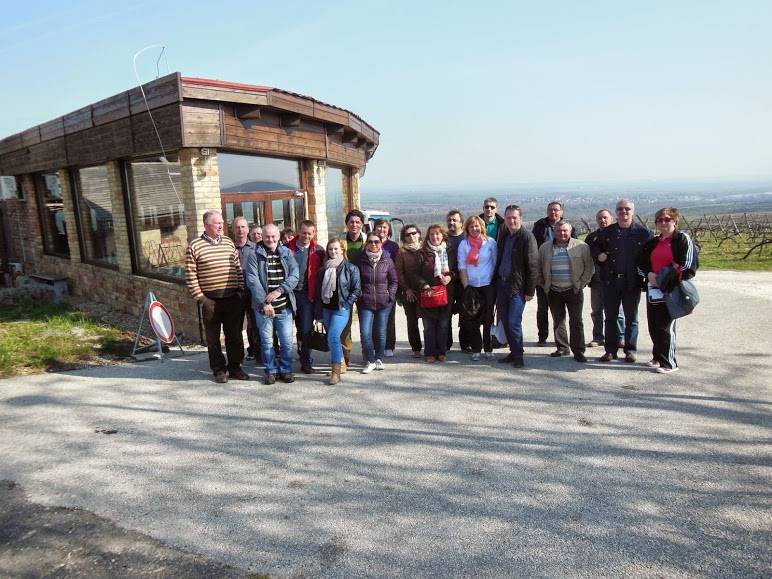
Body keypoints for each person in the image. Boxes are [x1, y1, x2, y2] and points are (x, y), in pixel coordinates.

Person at [185, 210, 248, 383]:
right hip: (210, 300)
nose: (221, 226)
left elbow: (237, 267)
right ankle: (219, 369)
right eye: (217, 223)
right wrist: (202, 298)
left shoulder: (228, 242)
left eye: (222, 222)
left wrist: (240, 290)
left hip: (232, 298)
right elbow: (190, 276)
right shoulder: (195, 246)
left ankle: (235, 367)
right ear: (206, 225)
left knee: (234, 336)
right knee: (213, 338)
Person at [637, 207, 698, 373]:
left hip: (672, 288)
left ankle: (669, 363)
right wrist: (649, 274)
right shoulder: (653, 242)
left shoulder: (682, 239)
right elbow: (641, 263)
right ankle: (657, 357)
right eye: (660, 220)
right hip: (653, 288)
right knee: (654, 325)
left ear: (675, 221)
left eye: (667, 219)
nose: (663, 222)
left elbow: (688, 265)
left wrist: (664, 278)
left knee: (666, 326)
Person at [592, 199, 652, 363]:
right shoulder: (607, 232)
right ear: (616, 212)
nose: (623, 212)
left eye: (627, 209)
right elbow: (593, 246)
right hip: (611, 281)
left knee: (631, 318)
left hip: (632, 282)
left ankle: (630, 350)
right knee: (610, 317)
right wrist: (598, 255)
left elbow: (650, 256)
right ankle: (610, 351)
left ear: (633, 211)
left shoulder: (643, 233)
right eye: (620, 209)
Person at [245, 223, 300, 385]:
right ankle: (270, 370)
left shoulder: (287, 253)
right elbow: (252, 281)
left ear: (278, 236)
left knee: (287, 341)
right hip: (264, 309)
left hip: (284, 306)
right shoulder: (254, 255)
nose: (270, 239)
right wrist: (265, 302)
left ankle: (286, 369)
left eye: (273, 236)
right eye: (267, 236)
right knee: (267, 342)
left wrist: (278, 291)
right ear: (262, 236)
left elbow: (295, 275)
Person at [537, 220, 594, 362]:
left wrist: (581, 283)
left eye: (565, 231)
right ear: (554, 232)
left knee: (576, 321)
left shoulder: (581, 246)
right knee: (558, 320)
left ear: (570, 231)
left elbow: (589, 267)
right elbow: (538, 268)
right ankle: (562, 348)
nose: (562, 233)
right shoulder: (544, 248)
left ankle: (579, 351)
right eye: (559, 231)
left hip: (573, 289)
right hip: (553, 290)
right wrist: (544, 284)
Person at [495, 205, 539, 368]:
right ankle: (514, 352)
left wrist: (529, 291)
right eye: (508, 218)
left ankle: (518, 356)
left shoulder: (527, 237)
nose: (511, 220)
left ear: (520, 218)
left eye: (514, 217)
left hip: (517, 288)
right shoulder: (505, 235)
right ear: (505, 219)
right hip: (502, 284)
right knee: (506, 321)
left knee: (513, 321)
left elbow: (533, 265)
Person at [314, 238, 362, 384]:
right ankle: (339, 362)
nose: (333, 251)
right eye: (330, 249)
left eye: (336, 249)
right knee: (332, 338)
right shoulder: (323, 270)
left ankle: (336, 372)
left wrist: (346, 304)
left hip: (341, 309)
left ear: (342, 250)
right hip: (327, 309)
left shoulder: (351, 268)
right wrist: (318, 313)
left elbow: (357, 289)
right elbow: (318, 293)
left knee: (333, 337)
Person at [532, 201, 576, 346]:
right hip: (544, 272)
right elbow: (534, 248)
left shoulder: (568, 227)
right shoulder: (540, 225)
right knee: (542, 308)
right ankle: (542, 336)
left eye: (556, 210)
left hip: (562, 274)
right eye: (550, 210)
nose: (553, 212)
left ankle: (563, 340)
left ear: (561, 212)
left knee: (560, 311)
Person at [411, 224, 456, 363]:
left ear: (443, 235)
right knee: (429, 327)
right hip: (428, 294)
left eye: (437, 234)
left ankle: (441, 351)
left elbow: (456, 271)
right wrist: (423, 284)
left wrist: (450, 277)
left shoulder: (449, 251)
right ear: (428, 236)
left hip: (445, 294)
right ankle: (430, 353)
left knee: (443, 326)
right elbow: (414, 274)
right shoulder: (422, 253)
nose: (435, 236)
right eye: (432, 234)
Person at [287, 220, 325, 374]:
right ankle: (285, 360)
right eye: (303, 233)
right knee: (285, 329)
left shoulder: (319, 251)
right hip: (289, 293)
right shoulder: (287, 249)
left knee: (306, 329)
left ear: (314, 234)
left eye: (309, 233)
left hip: (307, 295)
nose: (306, 236)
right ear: (298, 232)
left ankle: (306, 361)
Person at [356, 232, 398, 373]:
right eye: (370, 242)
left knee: (380, 331)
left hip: (384, 302)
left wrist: (390, 295)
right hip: (365, 303)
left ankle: (379, 358)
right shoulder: (360, 260)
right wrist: (360, 296)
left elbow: (394, 281)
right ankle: (370, 360)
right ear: (366, 243)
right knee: (365, 332)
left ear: (381, 243)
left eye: (376, 242)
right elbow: (356, 281)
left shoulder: (387, 259)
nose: (373, 244)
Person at [457, 216, 497, 361]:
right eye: (471, 226)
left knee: (488, 319)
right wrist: (466, 287)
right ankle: (476, 348)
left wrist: (493, 283)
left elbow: (495, 263)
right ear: (467, 229)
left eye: (477, 226)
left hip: (487, 285)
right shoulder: (464, 245)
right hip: (471, 286)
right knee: (472, 319)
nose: (475, 229)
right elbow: (461, 266)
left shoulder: (491, 243)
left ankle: (488, 348)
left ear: (482, 227)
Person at [585, 209, 623, 347]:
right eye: (600, 218)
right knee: (596, 311)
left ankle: (619, 337)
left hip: (614, 279)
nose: (603, 220)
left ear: (611, 218)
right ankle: (598, 337)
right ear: (597, 220)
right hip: (597, 279)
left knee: (617, 311)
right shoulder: (591, 237)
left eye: (605, 217)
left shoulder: (618, 234)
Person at [340, 209, 367, 368]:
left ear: (362, 224)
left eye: (357, 222)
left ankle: (366, 352)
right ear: (347, 224)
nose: (354, 225)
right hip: (346, 289)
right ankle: (345, 354)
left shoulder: (368, 240)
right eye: (351, 222)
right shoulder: (340, 241)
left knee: (365, 323)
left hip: (364, 288)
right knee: (345, 323)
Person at [396, 224, 424, 358]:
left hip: (425, 290)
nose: (411, 236)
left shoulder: (426, 249)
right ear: (404, 238)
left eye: (414, 233)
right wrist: (406, 289)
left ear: (419, 234)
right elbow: (399, 272)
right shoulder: (401, 252)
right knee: (412, 321)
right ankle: (416, 348)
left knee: (428, 321)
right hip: (409, 291)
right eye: (408, 234)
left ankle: (431, 347)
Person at [231, 216, 257, 360]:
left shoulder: (255, 248)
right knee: (236, 328)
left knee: (256, 326)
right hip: (236, 294)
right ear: (233, 229)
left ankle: (258, 354)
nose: (240, 230)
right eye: (237, 227)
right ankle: (238, 358)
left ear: (248, 229)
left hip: (253, 293)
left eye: (243, 227)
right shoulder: (228, 248)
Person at [373, 218, 399, 357]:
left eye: (384, 227)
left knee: (389, 318)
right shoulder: (369, 243)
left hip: (388, 287)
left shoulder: (393, 246)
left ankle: (389, 345)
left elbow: (397, 267)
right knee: (375, 319)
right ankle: (376, 345)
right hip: (372, 287)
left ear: (388, 230)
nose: (381, 230)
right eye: (379, 227)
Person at [446, 209, 469, 352]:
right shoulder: (443, 238)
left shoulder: (467, 239)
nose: (451, 222)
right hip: (447, 282)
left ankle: (465, 343)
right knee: (445, 315)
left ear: (461, 223)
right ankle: (446, 343)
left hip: (463, 282)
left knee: (465, 314)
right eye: (449, 220)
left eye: (455, 220)